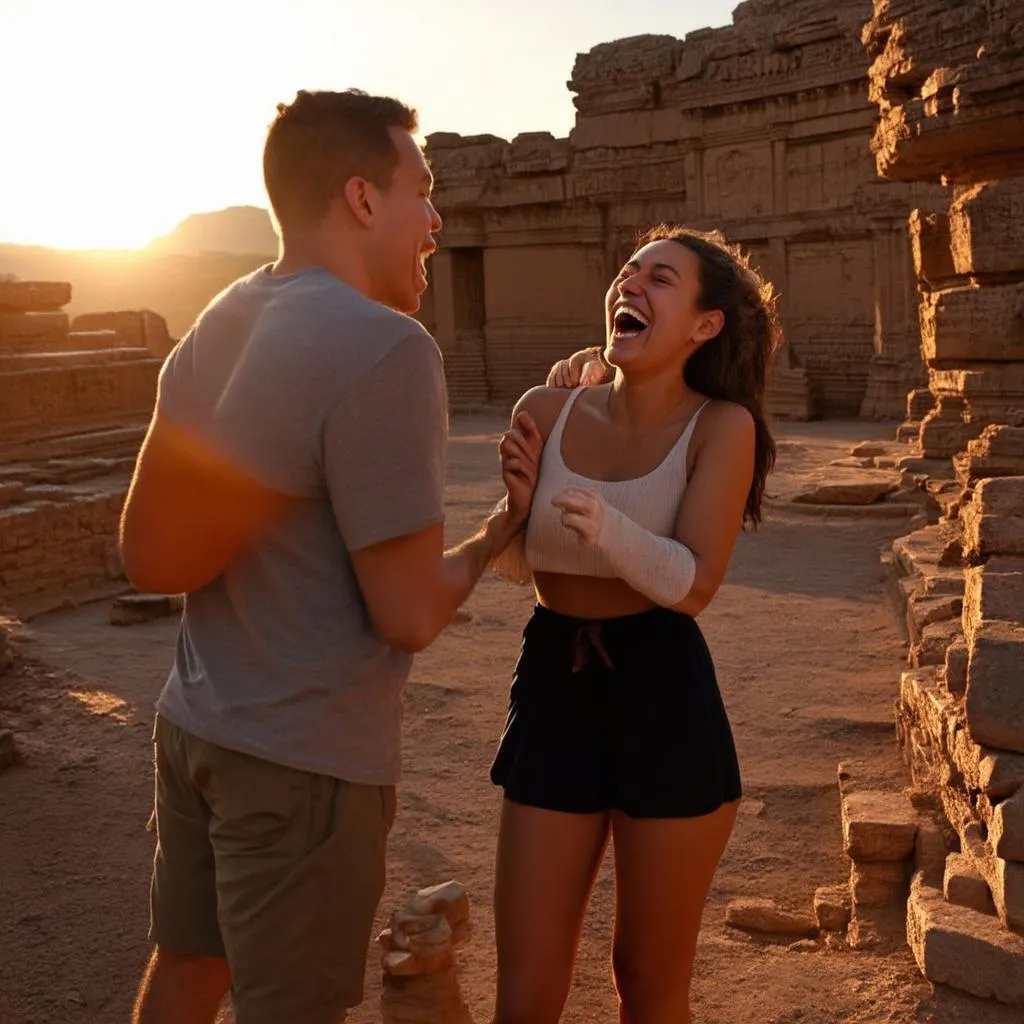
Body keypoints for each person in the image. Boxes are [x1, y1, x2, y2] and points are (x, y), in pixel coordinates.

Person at [120, 88, 559, 1024]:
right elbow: (408, 614)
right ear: (363, 200)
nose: (437, 218)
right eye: (422, 190)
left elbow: (145, 556)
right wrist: (497, 533)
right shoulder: (386, 348)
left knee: (187, 974)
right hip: (303, 761)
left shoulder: (222, 318)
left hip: (194, 723)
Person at [489, 224, 780, 1024]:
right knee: (525, 984)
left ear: (704, 324)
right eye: (626, 271)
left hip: (664, 692)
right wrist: (512, 516)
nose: (632, 284)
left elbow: (693, 584)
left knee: (647, 982)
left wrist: (609, 528)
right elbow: (527, 566)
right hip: (552, 681)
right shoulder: (545, 406)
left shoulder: (724, 428)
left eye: (660, 279)